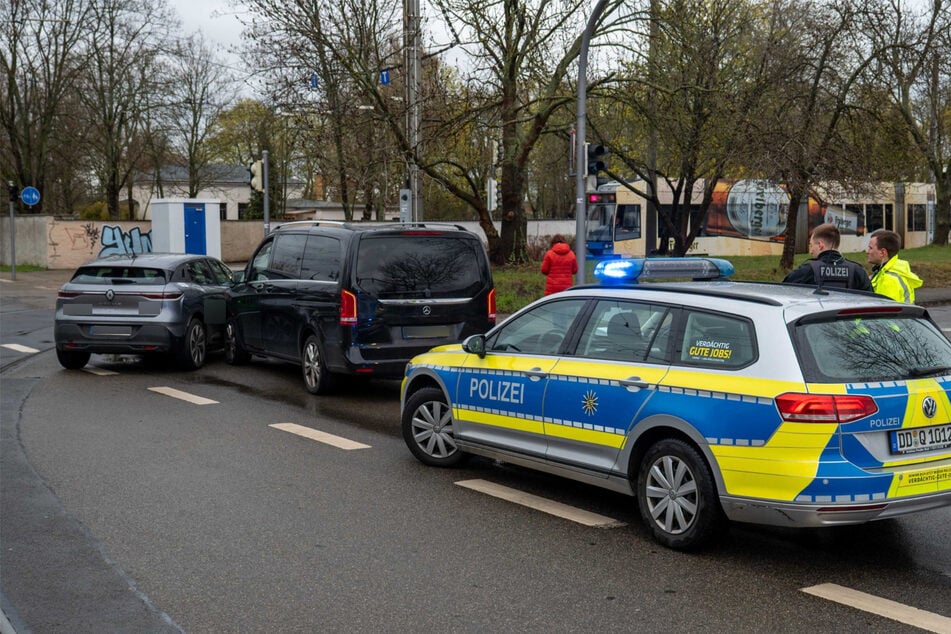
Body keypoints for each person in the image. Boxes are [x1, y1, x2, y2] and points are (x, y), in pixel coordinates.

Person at [783, 223, 872, 290]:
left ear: (820, 245)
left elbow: (783, 290)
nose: (811, 251)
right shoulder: (857, 271)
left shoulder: (807, 270)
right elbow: (870, 301)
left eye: (811, 245)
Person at [866, 229, 922, 303]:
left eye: (870, 248)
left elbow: (884, 311)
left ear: (883, 252)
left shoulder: (888, 280)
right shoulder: (891, 270)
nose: (867, 252)